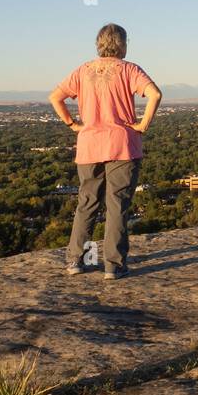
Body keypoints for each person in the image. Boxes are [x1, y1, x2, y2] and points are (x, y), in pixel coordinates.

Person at [49, 23, 162, 280]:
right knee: (117, 205)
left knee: (87, 203)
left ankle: (74, 261)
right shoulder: (129, 69)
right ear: (123, 44)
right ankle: (114, 265)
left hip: (89, 145)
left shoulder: (83, 70)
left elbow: (55, 97)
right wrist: (143, 125)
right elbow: (154, 94)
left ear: (98, 44)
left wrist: (73, 125)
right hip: (122, 144)